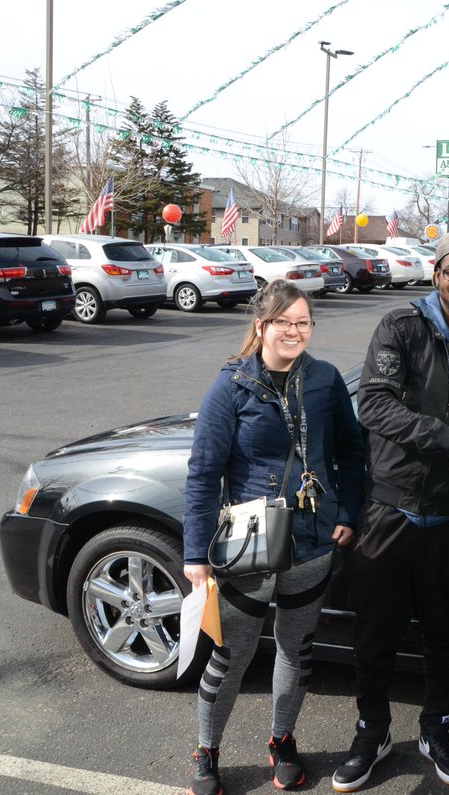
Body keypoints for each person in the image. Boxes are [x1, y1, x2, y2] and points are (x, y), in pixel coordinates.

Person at [330, 231, 449, 792]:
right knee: (375, 633)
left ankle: (436, 730)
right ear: (437, 275)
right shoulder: (401, 327)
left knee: (445, 631)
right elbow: (375, 406)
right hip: (389, 509)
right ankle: (373, 732)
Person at [182, 280, 365, 795]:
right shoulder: (231, 386)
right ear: (261, 326)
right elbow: (203, 472)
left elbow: (351, 453)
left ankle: (282, 739)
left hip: (312, 540)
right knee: (231, 654)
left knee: (296, 647)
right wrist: (196, 552)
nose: (294, 331)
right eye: (284, 322)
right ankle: (206, 751)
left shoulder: (326, 381)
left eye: (303, 322)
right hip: (250, 543)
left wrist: (347, 509)